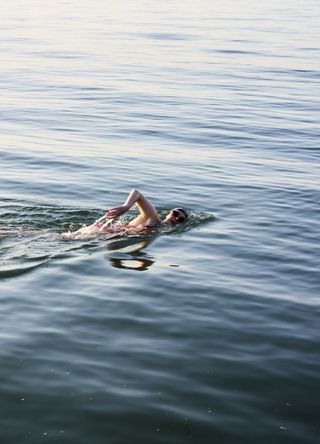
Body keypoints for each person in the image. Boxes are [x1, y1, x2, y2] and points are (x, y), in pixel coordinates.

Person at [104, 188, 188, 231]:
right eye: (175, 214)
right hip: (101, 233)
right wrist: (126, 207)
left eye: (180, 219)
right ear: (168, 213)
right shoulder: (153, 217)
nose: (176, 218)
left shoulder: (158, 230)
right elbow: (137, 193)